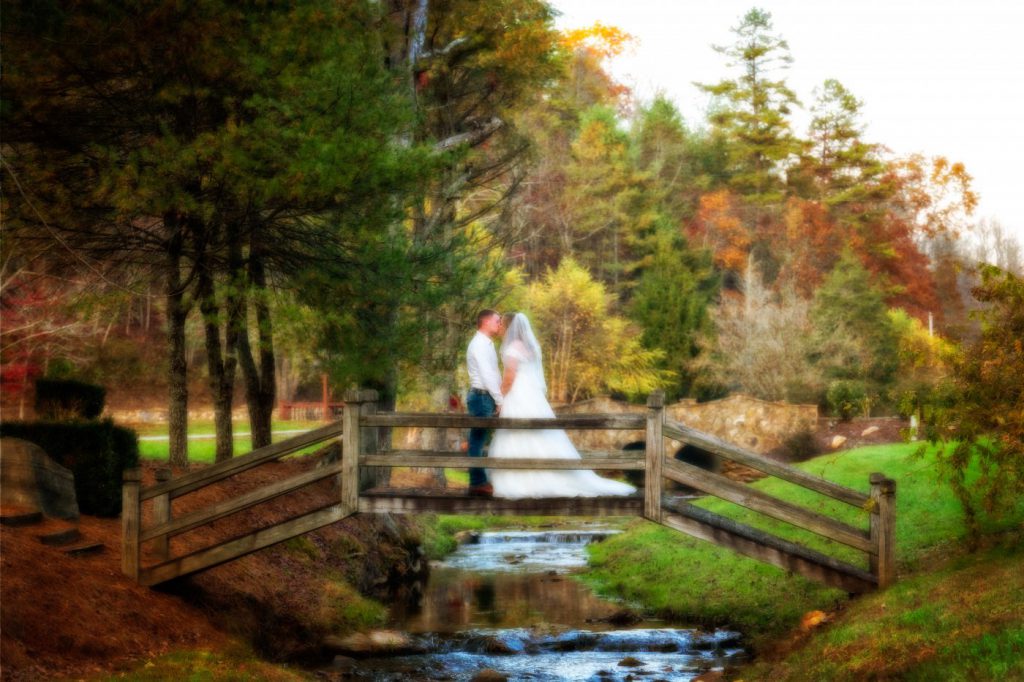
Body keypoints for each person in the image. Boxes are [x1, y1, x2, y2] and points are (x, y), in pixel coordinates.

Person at [488, 312, 637, 499]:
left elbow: (509, 378)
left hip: (518, 394)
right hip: (532, 396)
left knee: (517, 434)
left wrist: (499, 398)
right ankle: (543, 476)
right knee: (539, 436)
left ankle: (523, 481)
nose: (499, 327)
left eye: (502, 324)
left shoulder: (512, 347)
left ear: (509, 327)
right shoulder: (529, 347)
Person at [465, 309, 505, 497]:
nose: (500, 324)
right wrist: (499, 399)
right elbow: (487, 376)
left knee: (478, 439)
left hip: (485, 396)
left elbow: (493, 373)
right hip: (481, 396)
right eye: (498, 321)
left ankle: (479, 481)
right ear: (486, 322)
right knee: (477, 441)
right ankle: (477, 483)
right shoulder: (479, 344)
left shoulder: (486, 344)